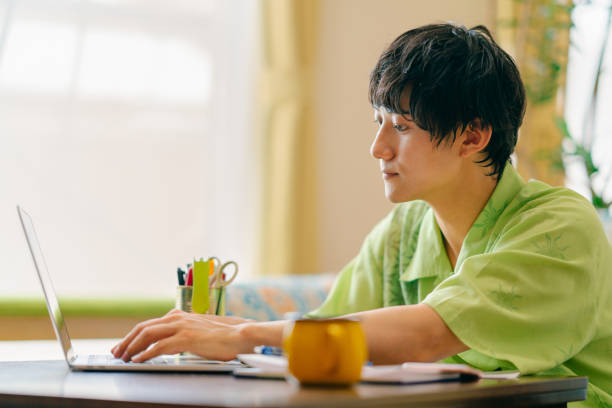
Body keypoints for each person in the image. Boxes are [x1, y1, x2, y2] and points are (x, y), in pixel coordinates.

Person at [112, 23, 612, 407]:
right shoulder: (400, 236)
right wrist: (225, 341)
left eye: (402, 126)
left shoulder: (559, 227)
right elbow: (326, 334)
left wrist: (246, 334)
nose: (378, 147)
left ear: (473, 136)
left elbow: (427, 333)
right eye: (379, 122)